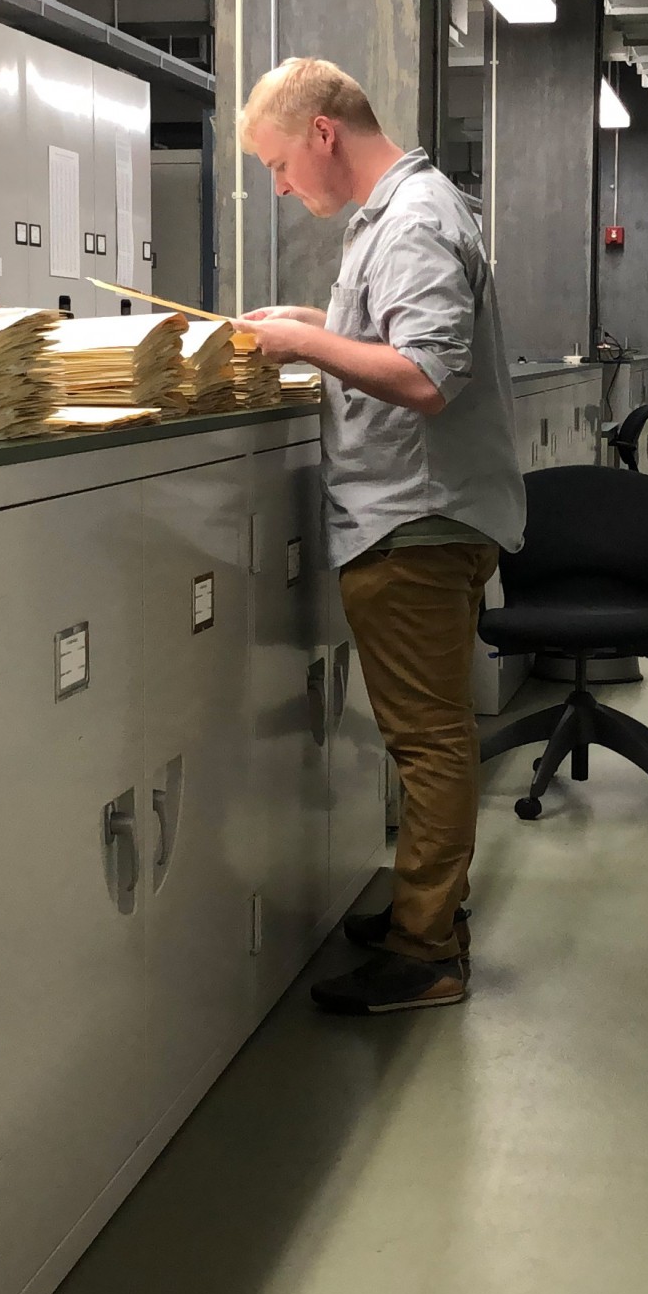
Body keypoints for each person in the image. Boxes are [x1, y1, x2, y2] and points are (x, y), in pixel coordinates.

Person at [237, 57, 525, 1015]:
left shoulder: (411, 219)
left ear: (322, 132)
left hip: (415, 516)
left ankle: (427, 951)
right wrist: (318, 319)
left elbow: (427, 377)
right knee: (425, 738)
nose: (279, 186)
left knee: (430, 741)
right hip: (415, 512)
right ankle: (428, 909)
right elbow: (396, 333)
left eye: (279, 164)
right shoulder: (400, 215)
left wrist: (305, 344)